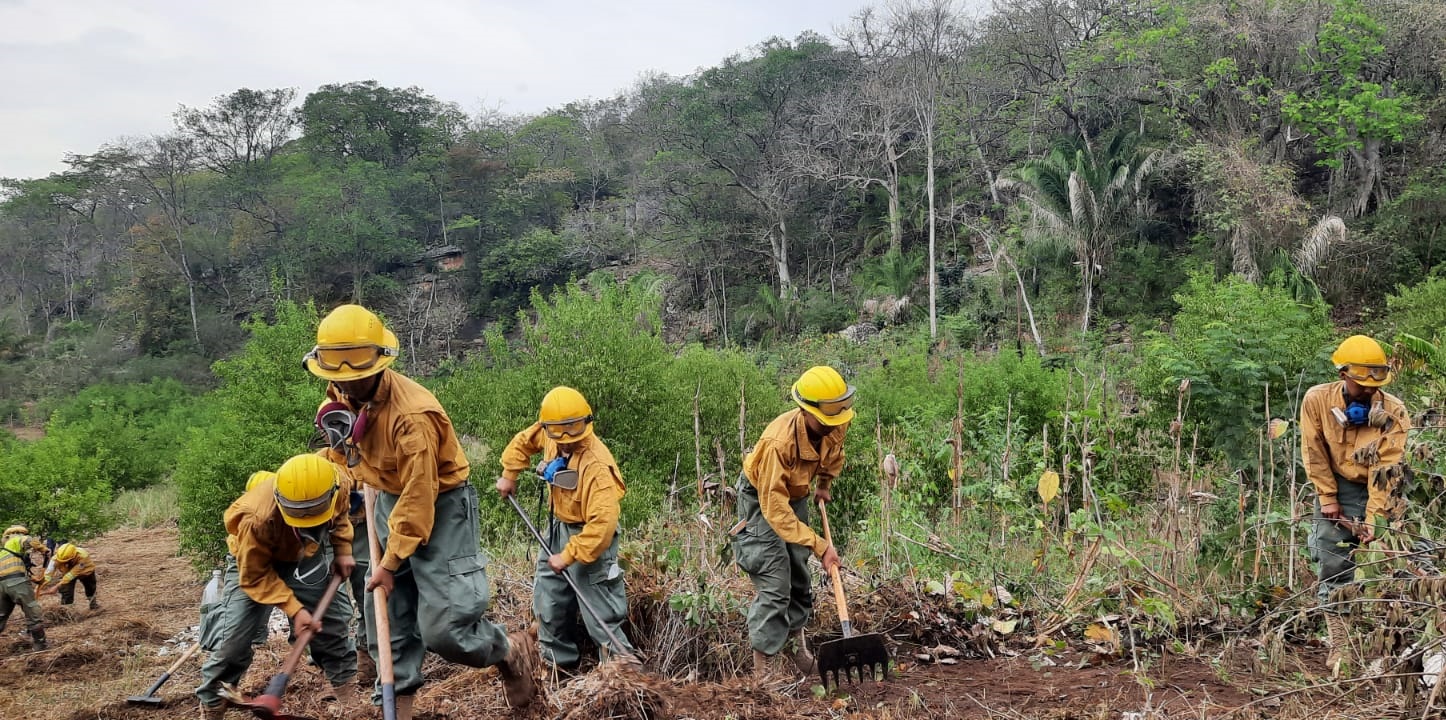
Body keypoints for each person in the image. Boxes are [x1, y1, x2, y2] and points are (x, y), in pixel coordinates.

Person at [305, 304, 538, 718]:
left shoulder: (413, 417)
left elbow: (419, 498)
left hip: (440, 502)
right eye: (338, 379)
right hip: (385, 496)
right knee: (387, 617)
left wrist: (391, 562)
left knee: (444, 628)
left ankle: (508, 649)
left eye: (354, 378)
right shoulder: (346, 390)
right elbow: (350, 441)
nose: (345, 386)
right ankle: (398, 708)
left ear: (378, 364)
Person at [194, 454, 359, 720]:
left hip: (306, 553)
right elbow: (255, 577)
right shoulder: (255, 518)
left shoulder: (338, 482)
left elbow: (339, 517)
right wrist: (295, 610)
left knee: (332, 624)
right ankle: (214, 704)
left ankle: (349, 698)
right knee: (232, 641)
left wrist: (343, 549)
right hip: (254, 564)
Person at [497, 386, 637, 671]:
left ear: (584, 425)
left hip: (590, 539)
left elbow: (603, 524)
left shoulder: (597, 465)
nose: (566, 444)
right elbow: (523, 442)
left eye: (573, 437)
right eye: (558, 436)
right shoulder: (551, 433)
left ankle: (623, 673)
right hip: (558, 528)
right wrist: (509, 474)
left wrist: (569, 555)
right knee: (549, 603)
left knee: (600, 613)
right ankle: (557, 669)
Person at [733, 365, 853, 680]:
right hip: (763, 498)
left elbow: (834, 454)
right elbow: (774, 508)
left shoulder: (834, 422)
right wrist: (820, 545)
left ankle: (799, 650)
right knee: (775, 581)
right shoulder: (778, 443)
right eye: (826, 420)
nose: (833, 426)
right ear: (805, 409)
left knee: (799, 574)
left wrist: (824, 484)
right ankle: (765, 675)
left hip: (797, 491)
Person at [1301, 335, 1412, 673]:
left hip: (1382, 488)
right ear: (1343, 374)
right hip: (1339, 484)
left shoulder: (1393, 410)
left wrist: (1375, 519)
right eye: (1361, 383)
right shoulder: (1317, 401)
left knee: (1398, 561)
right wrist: (1328, 497)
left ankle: (1403, 641)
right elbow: (1314, 451)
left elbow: (1388, 468)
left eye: (1373, 385)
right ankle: (1341, 647)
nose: (1367, 390)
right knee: (1333, 559)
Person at [0, 529, 50, 651]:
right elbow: (28, 540)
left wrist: (35, 579)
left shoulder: (4, 553)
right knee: (33, 611)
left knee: (1, 615)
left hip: (2, 586)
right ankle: (40, 644)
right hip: (17, 583)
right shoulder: (15, 540)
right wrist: (44, 549)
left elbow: (14, 571)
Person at [40, 543, 98, 610]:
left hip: (85, 571)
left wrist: (56, 587)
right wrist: (40, 585)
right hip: (68, 572)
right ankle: (67, 611)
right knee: (66, 591)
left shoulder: (83, 556)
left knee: (90, 588)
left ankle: (93, 604)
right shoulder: (57, 557)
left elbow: (71, 575)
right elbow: (49, 572)